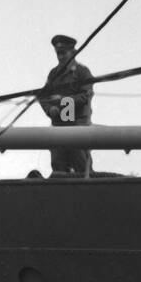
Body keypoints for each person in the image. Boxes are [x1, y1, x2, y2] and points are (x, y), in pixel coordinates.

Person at [39, 34, 94, 176]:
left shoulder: (82, 72)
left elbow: (86, 95)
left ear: (73, 52)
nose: (61, 57)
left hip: (77, 127)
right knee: (58, 169)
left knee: (81, 168)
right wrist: (50, 110)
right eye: (58, 53)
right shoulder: (53, 74)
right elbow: (43, 96)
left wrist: (62, 101)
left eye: (63, 53)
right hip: (59, 127)